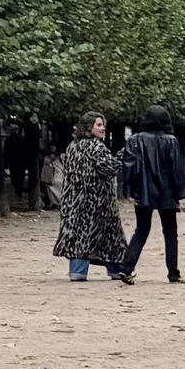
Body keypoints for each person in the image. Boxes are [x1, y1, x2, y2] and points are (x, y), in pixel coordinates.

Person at [117, 112, 185, 286]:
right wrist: (180, 194)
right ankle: (173, 272)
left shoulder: (135, 140)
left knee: (141, 230)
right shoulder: (171, 141)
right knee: (170, 233)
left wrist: (131, 189)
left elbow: (129, 167)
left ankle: (126, 267)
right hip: (167, 193)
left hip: (143, 191)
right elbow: (177, 171)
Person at [52, 116, 124, 282]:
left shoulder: (72, 146)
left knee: (80, 236)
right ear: (88, 127)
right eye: (99, 125)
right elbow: (109, 169)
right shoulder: (96, 147)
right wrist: (123, 156)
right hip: (96, 201)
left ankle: (78, 271)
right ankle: (116, 269)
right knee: (109, 236)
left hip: (73, 200)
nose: (103, 128)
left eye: (103, 125)